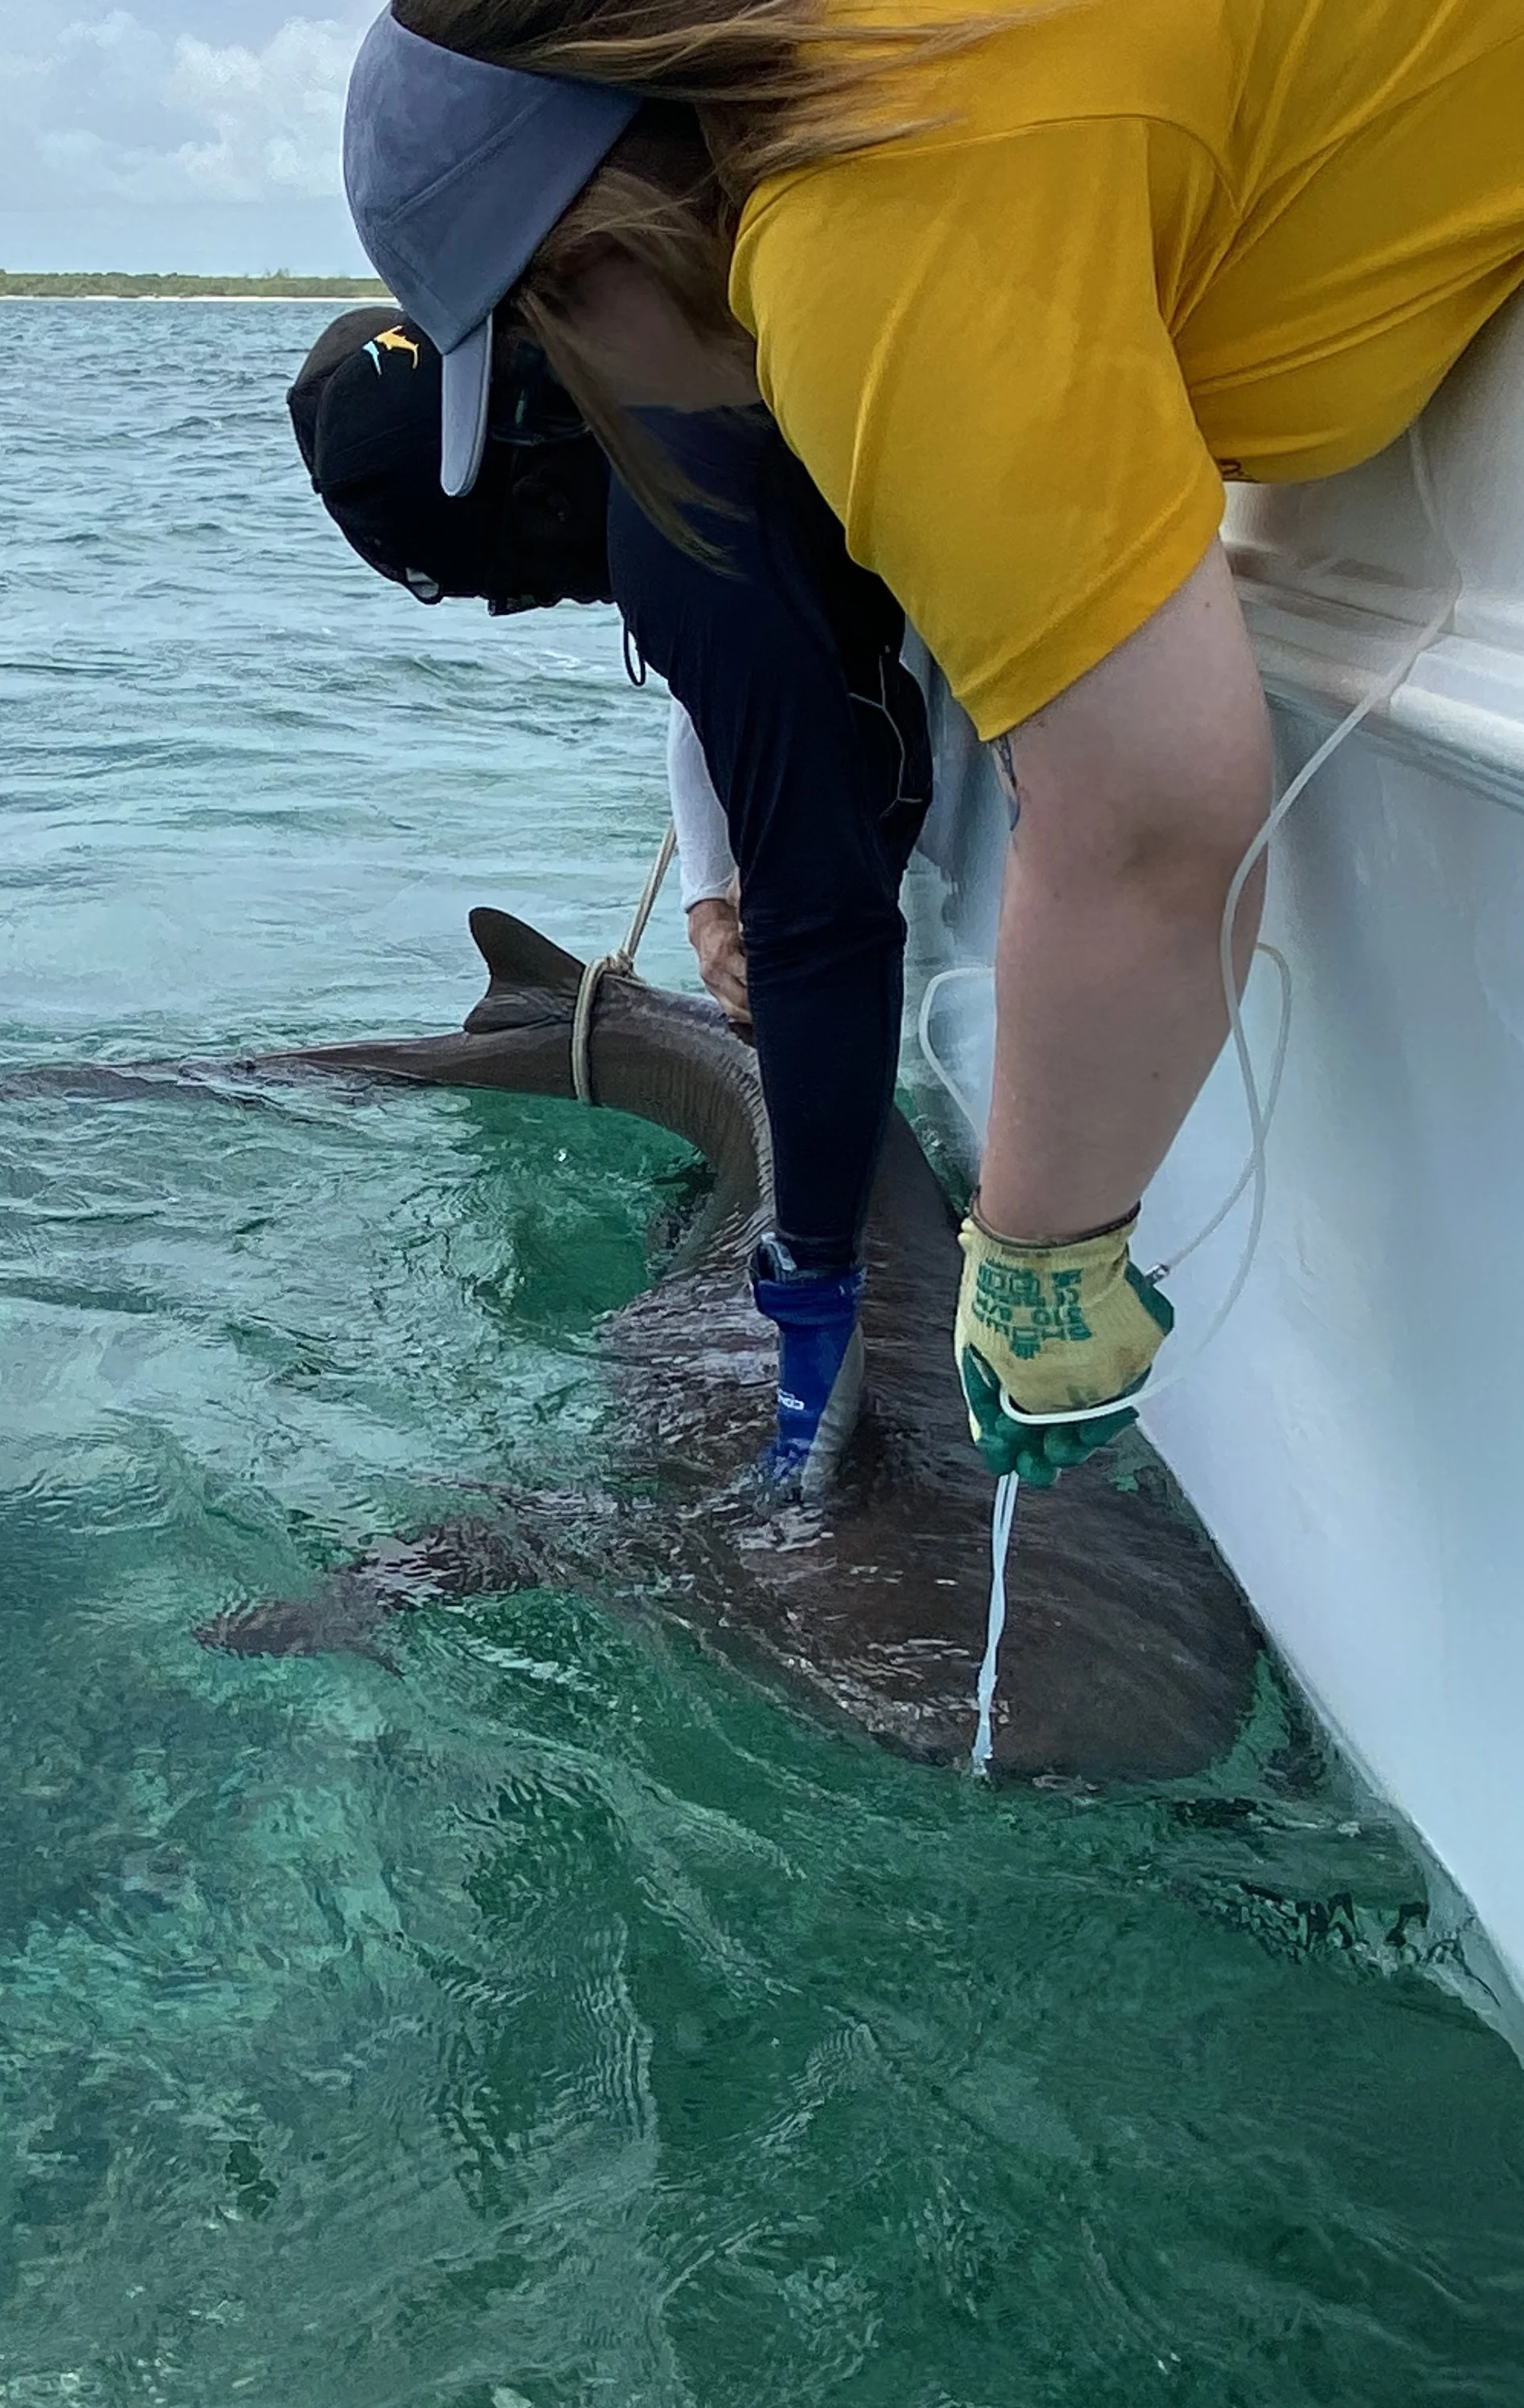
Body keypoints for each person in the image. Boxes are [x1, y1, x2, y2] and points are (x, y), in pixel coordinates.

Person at [338, 0, 1524, 1485]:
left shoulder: (862, 234)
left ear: (594, 252)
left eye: (549, 342)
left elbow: (1151, 824)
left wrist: (1039, 1261)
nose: (594, 395)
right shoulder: (896, 83)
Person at [287, 306, 930, 1500]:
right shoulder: (664, 414)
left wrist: (815, 1290)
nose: (535, 600)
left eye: (503, 573)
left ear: (520, 476)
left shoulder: (673, 502)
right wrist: (708, 895)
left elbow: (833, 923)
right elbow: (712, 666)